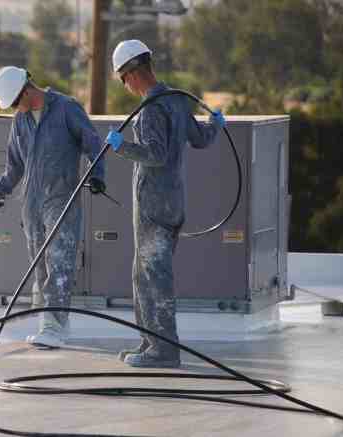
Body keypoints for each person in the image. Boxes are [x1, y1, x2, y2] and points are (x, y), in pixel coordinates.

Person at [105, 40, 226, 367]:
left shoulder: (149, 110)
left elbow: (155, 154)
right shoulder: (176, 100)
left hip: (153, 207)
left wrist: (122, 147)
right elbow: (201, 139)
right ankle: (149, 344)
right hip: (173, 203)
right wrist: (215, 124)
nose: (125, 85)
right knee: (143, 276)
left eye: (123, 78)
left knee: (154, 279)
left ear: (132, 73)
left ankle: (164, 351)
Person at [0, 66, 106, 348]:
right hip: (32, 203)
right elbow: (14, 165)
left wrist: (98, 176)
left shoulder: (67, 109)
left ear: (26, 89)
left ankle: (54, 328)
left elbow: (93, 144)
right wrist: (0, 191)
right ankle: (51, 325)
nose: (15, 108)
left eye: (15, 102)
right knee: (39, 267)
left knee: (59, 264)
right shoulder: (20, 121)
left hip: (61, 199)